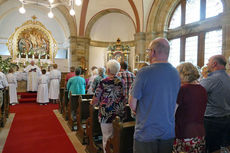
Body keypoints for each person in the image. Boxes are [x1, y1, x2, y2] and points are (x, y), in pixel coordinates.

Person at [129, 37, 181, 153]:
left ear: (153, 52)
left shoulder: (144, 72)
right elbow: (175, 104)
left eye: (148, 51)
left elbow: (132, 104)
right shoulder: (175, 73)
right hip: (167, 131)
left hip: (146, 132)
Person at [91, 59, 125, 153]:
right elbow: (124, 96)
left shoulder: (103, 81)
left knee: (106, 137)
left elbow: (96, 97)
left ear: (108, 70)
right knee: (116, 138)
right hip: (119, 112)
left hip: (106, 113)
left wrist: (92, 102)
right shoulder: (122, 81)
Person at [173, 62, 207, 152]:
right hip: (200, 132)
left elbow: (172, 112)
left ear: (182, 74)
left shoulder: (182, 89)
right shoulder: (202, 89)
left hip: (184, 132)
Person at [200, 55, 230, 153]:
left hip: (212, 121)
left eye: (208, 61)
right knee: (225, 146)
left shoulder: (211, 79)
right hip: (227, 118)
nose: (207, 63)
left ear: (214, 64)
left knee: (213, 148)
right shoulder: (228, 77)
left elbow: (197, 93)